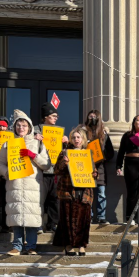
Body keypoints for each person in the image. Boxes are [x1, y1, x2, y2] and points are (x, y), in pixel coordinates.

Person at [0, 109, 51, 256]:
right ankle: (17, 246)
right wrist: (7, 173)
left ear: (29, 127)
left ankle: (31, 246)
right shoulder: (8, 144)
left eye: (24, 126)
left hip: (32, 185)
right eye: (18, 125)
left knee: (31, 217)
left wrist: (33, 155)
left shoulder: (37, 143)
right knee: (17, 216)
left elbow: (46, 164)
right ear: (14, 127)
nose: (21, 128)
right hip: (14, 185)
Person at [53, 127, 96, 256]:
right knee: (67, 218)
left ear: (83, 139)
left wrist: (94, 174)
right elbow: (56, 171)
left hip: (84, 191)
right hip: (68, 190)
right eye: (74, 137)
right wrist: (64, 164)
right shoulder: (65, 153)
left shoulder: (89, 153)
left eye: (79, 137)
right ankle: (69, 245)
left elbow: (94, 172)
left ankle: (82, 245)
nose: (76, 140)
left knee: (84, 219)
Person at [32, 103, 66, 232]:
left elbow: (64, 152)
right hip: (40, 170)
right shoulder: (35, 129)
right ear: (45, 117)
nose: (56, 118)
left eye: (57, 116)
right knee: (39, 199)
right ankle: (37, 224)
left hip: (55, 171)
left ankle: (52, 224)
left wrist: (66, 142)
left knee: (55, 199)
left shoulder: (59, 131)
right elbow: (25, 143)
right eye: (53, 116)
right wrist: (34, 138)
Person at [82, 110, 115, 224]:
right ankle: (88, 216)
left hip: (100, 167)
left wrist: (103, 157)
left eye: (94, 116)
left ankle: (101, 216)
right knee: (87, 192)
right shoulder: (83, 132)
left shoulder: (104, 135)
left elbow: (110, 152)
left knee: (101, 193)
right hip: (86, 166)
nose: (92, 118)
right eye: (90, 116)